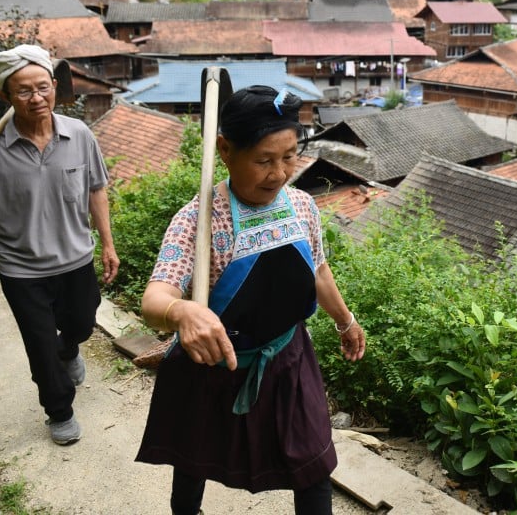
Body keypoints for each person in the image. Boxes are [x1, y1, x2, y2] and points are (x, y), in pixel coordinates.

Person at [135, 85, 366, 515]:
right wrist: (182, 311)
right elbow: (156, 296)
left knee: (313, 463)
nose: (279, 174)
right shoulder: (200, 220)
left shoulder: (302, 206)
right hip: (215, 366)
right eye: (264, 160)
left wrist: (345, 321)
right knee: (195, 456)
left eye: (289, 157)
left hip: (289, 358)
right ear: (225, 150)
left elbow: (318, 270)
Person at [0, 44, 119, 446]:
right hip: (21, 268)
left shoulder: (79, 134)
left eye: (42, 87)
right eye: (23, 91)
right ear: (5, 96)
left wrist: (108, 244)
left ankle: (69, 349)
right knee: (40, 346)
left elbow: (96, 190)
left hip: (75, 258)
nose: (36, 98)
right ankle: (59, 410)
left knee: (81, 323)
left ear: (54, 86)